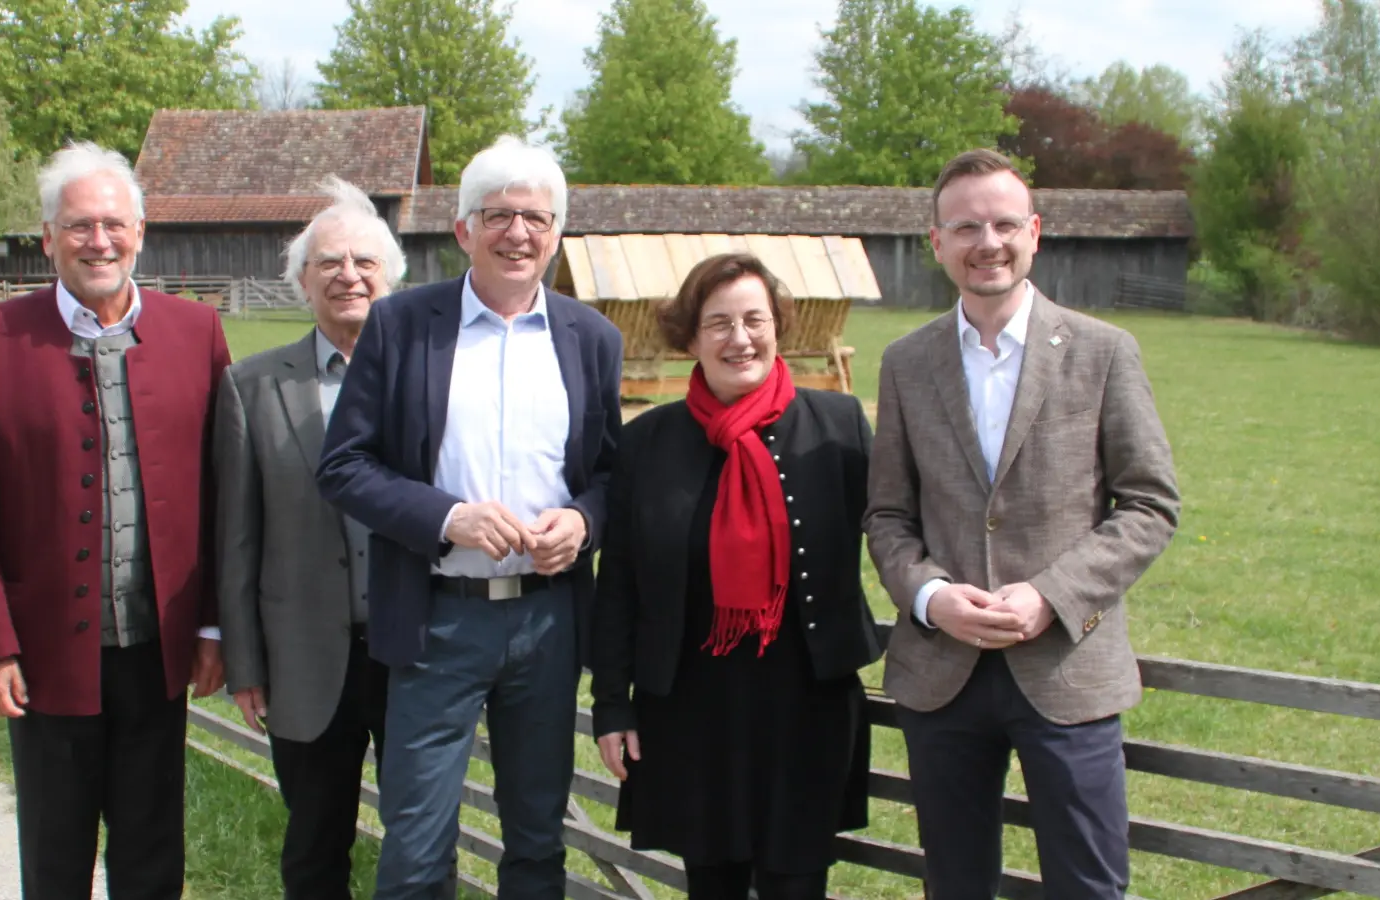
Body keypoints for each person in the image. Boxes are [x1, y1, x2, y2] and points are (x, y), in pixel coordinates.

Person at [864, 148, 1180, 899]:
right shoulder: (906, 362)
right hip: (942, 674)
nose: (988, 243)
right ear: (936, 243)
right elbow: (888, 514)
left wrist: (1051, 595)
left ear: (1034, 233)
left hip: (1066, 668)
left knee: (1087, 888)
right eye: (965, 227)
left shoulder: (1104, 352)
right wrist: (930, 597)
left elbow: (1149, 503)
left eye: (1005, 224)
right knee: (955, 886)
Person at [315, 135, 623, 900]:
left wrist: (582, 523)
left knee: (537, 839)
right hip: (437, 618)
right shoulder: (400, 324)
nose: (518, 233)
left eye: (535, 218)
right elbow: (343, 465)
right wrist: (446, 517)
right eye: (498, 216)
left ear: (556, 233)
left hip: (547, 623)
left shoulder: (592, 339)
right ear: (463, 229)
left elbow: (612, 474)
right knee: (417, 845)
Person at [0, 140, 231, 900]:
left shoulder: (198, 333)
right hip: (42, 655)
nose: (98, 241)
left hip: (158, 652)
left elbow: (221, 496)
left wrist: (211, 626)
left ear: (140, 232)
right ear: (47, 238)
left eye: (113, 224)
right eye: (78, 226)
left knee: (153, 858)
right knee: (55, 858)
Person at [590, 253, 882, 900]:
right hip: (691, 711)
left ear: (779, 327)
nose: (740, 338)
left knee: (795, 887)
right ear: (689, 338)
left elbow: (896, 533)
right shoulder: (647, 441)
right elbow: (619, 585)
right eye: (718, 323)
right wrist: (611, 704)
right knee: (712, 887)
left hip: (807, 706)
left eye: (755, 320)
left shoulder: (838, 427)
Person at [214, 177, 401, 899]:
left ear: (390, 277)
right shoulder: (253, 387)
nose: (348, 275)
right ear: (302, 281)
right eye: (329, 262)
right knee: (315, 848)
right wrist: (244, 662)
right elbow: (237, 537)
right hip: (303, 662)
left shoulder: (428, 380)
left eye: (364, 261)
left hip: (412, 657)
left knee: (422, 842)